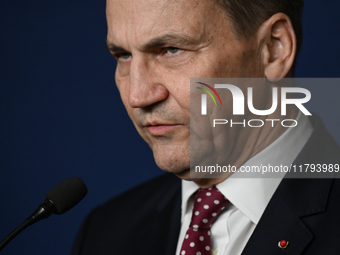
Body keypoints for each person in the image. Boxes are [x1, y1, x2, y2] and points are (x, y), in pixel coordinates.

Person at [72, 0, 340, 254]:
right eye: (123, 56)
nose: (137, 96)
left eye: (171, 49)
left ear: (273, 48)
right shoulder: (105, 233)